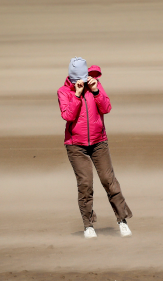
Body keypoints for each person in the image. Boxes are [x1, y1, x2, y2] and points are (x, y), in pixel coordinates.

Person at [57, 57, 133, 239]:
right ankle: (88, 225)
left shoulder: (95, 85)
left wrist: (96, 91)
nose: (80, 83)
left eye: (82, 79)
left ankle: (122, 221)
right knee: (85, 185)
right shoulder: (63, 91)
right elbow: (67, 116)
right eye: (76, 81)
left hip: (99, 142)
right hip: (76, 146)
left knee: (109, 180)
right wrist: (76, 95)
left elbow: (106, 108)